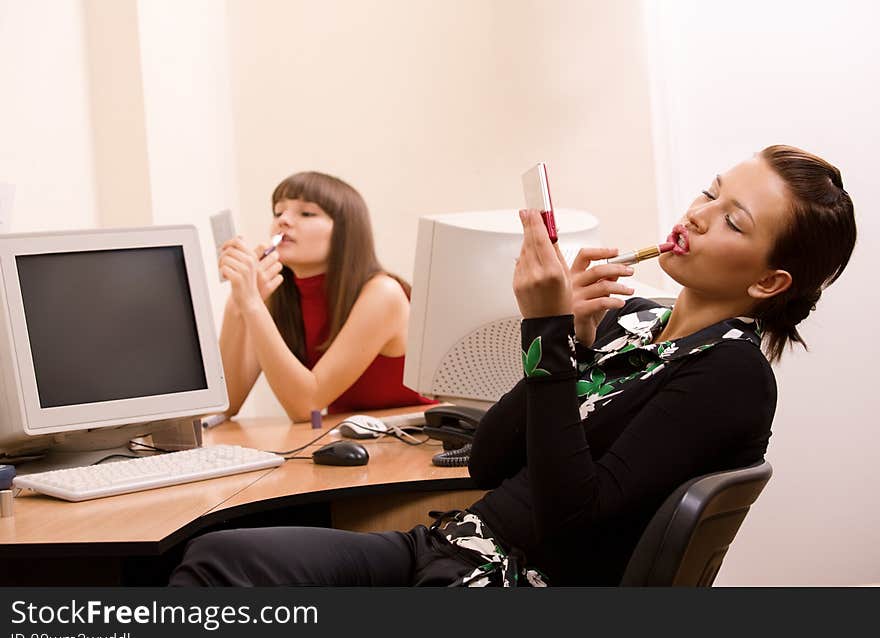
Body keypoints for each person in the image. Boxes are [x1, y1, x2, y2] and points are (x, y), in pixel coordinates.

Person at [171, 145, 856, 586]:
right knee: (219, 558)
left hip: (511, 581)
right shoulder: (630, 320)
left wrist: (548, 333)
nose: (700, 215)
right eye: (710, 193)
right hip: (452, 547)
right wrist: (575, 339)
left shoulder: (729, 376)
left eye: (735, 222)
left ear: (769, 283)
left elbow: (573, 519)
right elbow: (491, 460)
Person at [217, 171, 434, 422]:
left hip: (416, 439)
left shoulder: (383, 294)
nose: (284, 220)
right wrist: (237, 304)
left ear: (345, 231)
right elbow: (226, 404)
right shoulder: (275, 295)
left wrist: (252, 305)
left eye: (306, 213)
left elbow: (306, 406)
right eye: (278, 212)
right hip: (352, 438)